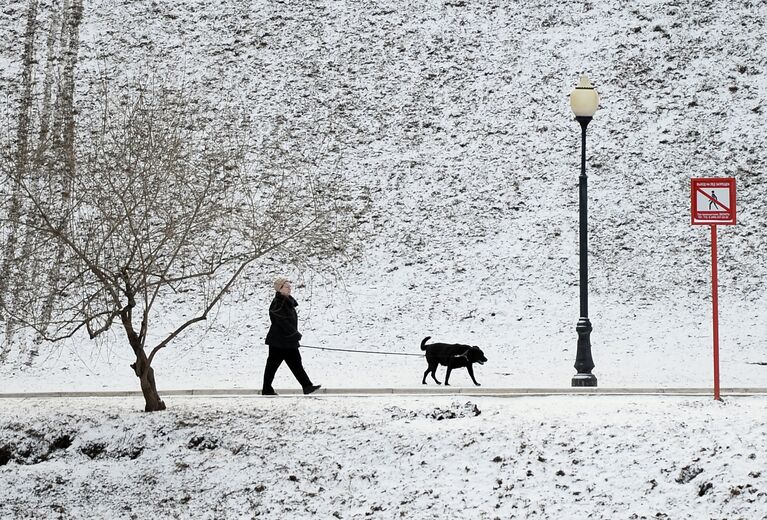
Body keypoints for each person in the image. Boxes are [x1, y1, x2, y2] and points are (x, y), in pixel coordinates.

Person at [262, 277, 321, 396]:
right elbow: (281, 321)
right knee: (272, 366)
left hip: (287, 341)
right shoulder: (278, 303)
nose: (290, 288)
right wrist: (294, 334)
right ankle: (267, 389)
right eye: (287, 286)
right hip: (278, 341)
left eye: (290, 286)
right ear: (280, 289)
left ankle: (307, 386)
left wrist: (293, 335)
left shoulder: (286, 301)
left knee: (296, 364)